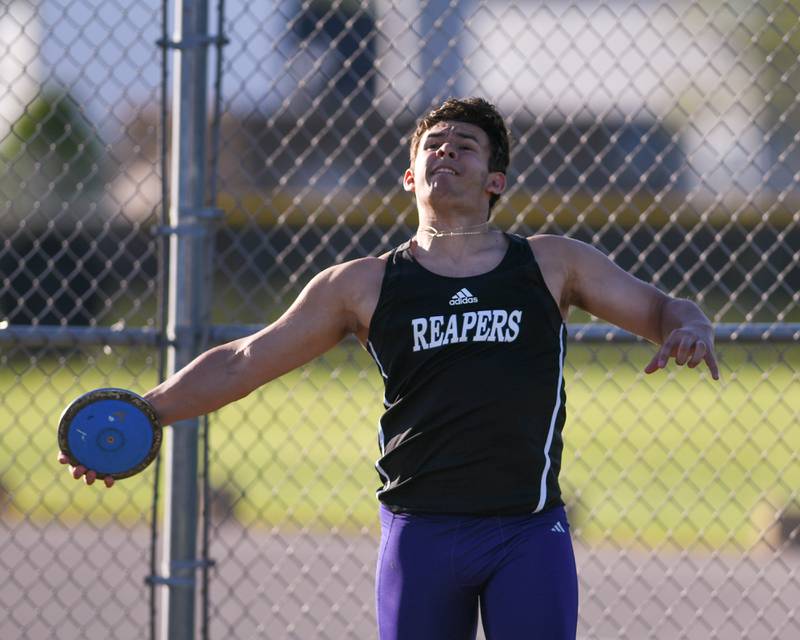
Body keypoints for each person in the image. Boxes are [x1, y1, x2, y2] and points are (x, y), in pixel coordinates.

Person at [59, 97, 719, 640]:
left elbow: (662, 307)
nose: (444, 152)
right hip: (420, 531)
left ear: (496, 181)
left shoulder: (551, 264)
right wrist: (146, 411)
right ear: (409, 178)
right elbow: (244, 360)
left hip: (527, 530)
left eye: (464, 145)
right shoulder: (361, 285)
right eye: (430, 146)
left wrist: (687, 327)